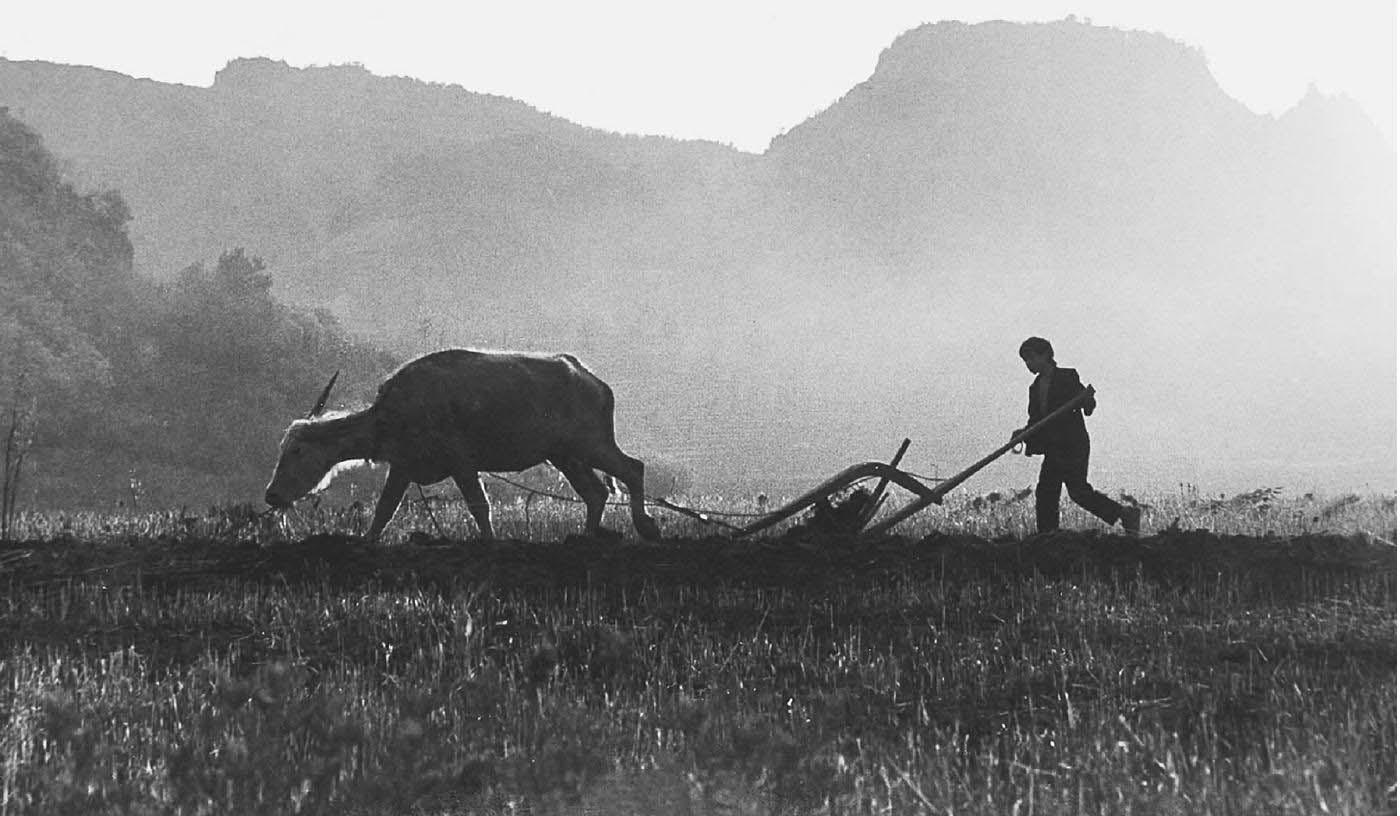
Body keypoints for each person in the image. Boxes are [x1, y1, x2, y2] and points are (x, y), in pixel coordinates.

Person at [1015, 337, 1141, 535]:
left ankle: (1125, 514)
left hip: (1073, 444)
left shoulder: (1067, 377)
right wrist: (1023, 433)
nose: (1028, 364)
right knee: (1046, 493)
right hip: (1053, 447)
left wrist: (1086, 400)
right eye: (1025, 361)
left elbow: (1087, 405)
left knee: (1078, 491)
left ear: (1046, 355)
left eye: (1031, 358)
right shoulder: (1034, 388)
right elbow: (1036, 421)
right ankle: (1048, 536)